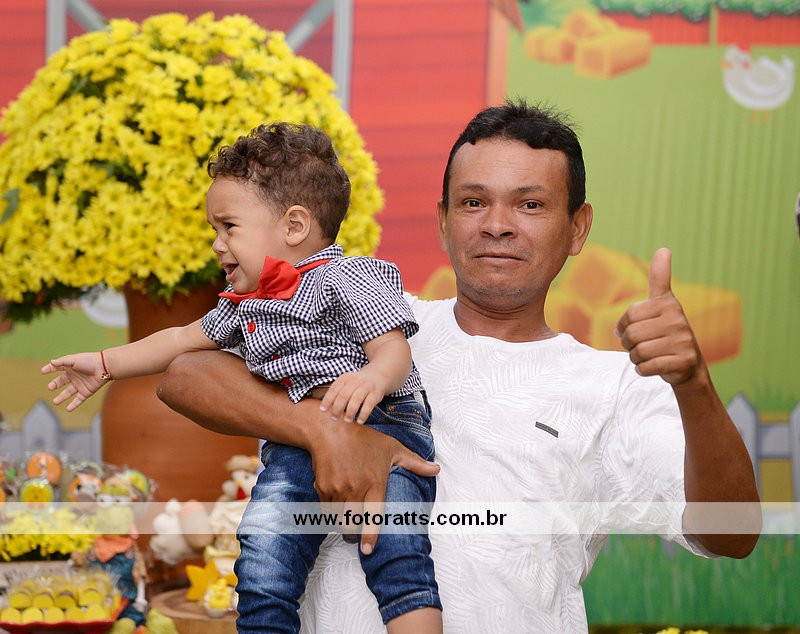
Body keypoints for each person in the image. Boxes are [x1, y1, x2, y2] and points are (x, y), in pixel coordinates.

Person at [157, 101, 760, 633]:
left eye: (530, 204)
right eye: (474, 202)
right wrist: (325, 431)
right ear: (443, 221)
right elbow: (186, 373)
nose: (497, 225)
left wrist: (694, 385)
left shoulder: (613, 386)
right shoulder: (368, 327)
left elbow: (730, 533)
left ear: (577, 228)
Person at [41, 123, 443, 634]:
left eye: (228, 227)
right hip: (296, 443)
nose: (216, 244)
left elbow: (392, 349)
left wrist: (373, 378)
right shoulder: (245, 305)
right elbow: (179, 340)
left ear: (294, 226)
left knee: (398, 558)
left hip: (384, 424)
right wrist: (104, 363)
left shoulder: (346, 276)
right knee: (261, 563)